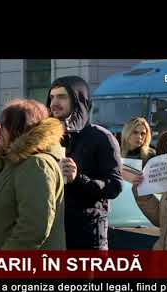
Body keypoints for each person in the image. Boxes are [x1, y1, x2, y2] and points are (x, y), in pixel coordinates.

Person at [0, 99, 66, 250]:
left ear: (18, 128)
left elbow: (32, 228)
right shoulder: (11, 164)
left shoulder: (36, 164)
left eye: (3, 126)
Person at [46, 76, 122, 250]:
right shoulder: (48, 139)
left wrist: (79, 178)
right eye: (52, 97)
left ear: (78, 100)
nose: (54, 103)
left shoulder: (101, 137)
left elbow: (114, 186)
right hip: (53, 236)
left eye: (62, 97)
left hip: (87, 238)